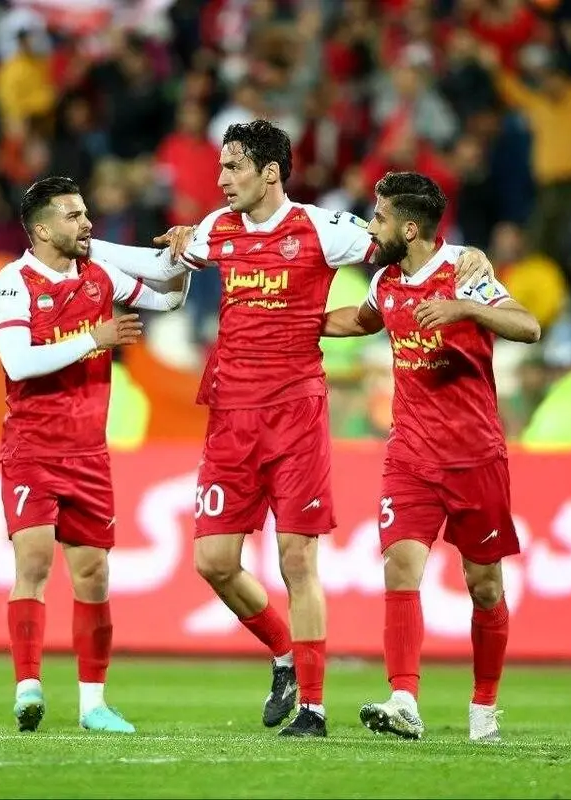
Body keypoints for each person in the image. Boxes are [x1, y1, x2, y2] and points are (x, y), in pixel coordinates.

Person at [105, 120, 494, 737]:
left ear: (269, 173)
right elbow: (164, 263)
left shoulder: (322, 227)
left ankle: (312, 706)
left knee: (296, 557)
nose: (221, 177)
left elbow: (401, 242)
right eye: (221, 166)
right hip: (231, 414)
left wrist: (465, 256)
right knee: (213, 561)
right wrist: (88, 251)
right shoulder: (216, 228)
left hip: (296, 414)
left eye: (233, 166)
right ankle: (285, 654)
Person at [320, 171, 541, 743]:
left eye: (380, 218)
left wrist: (466, 310)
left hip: (475, 457)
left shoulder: (465, 271)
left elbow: (528, 326)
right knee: (400, 566)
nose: (373, 227)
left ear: (409, 229)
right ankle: (403, 700)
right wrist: (296, 324)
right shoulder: (386, 281)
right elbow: (362, 320)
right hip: (411, 455)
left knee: (484, 585)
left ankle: (484, 709)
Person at [0, 176, 191, 734]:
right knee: (33, 562)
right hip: (32, 448)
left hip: (89, 455)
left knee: (94, 576)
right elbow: (19, 362)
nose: (87, 223)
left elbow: (168, 297)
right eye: (73, 215)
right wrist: (94, 340)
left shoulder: (99, 274)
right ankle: (28, 686)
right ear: (42, 228)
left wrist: (185, 254)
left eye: (85, 213)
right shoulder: (10, 285)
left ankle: (93, 704)